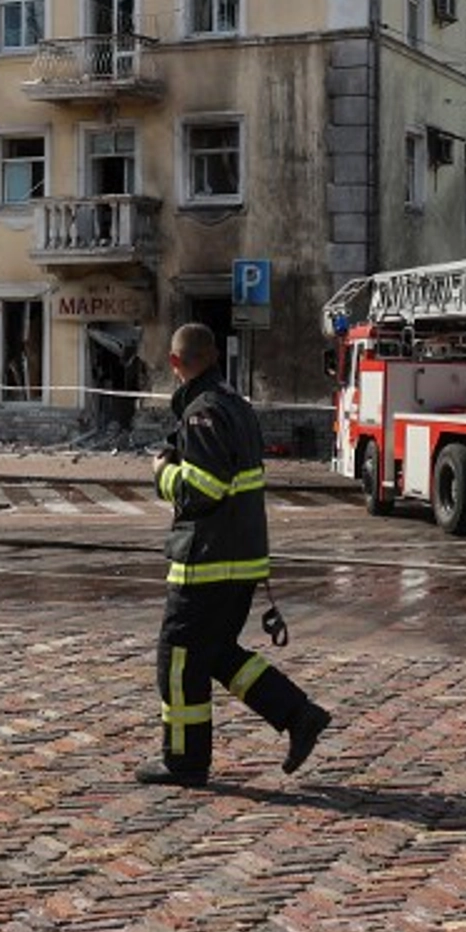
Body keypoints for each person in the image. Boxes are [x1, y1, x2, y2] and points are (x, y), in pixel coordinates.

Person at [139, 322, 331, 786]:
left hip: (206, 563)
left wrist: (162, 473)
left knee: (180, 659)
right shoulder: (234, 406)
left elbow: (204, 488)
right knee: (218, 654)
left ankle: (184, 762)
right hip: (239, 561)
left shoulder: (203, 411)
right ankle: (298, 715)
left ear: (175, 362)